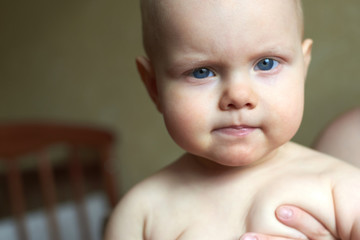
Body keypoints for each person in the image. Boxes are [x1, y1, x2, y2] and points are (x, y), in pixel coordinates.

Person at [105, 0, 360, 239]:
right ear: (154, 86)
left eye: (266, 63)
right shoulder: (140, 214)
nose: (239, 96)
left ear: (303, 68)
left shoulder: (341, 189)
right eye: (201, 71)